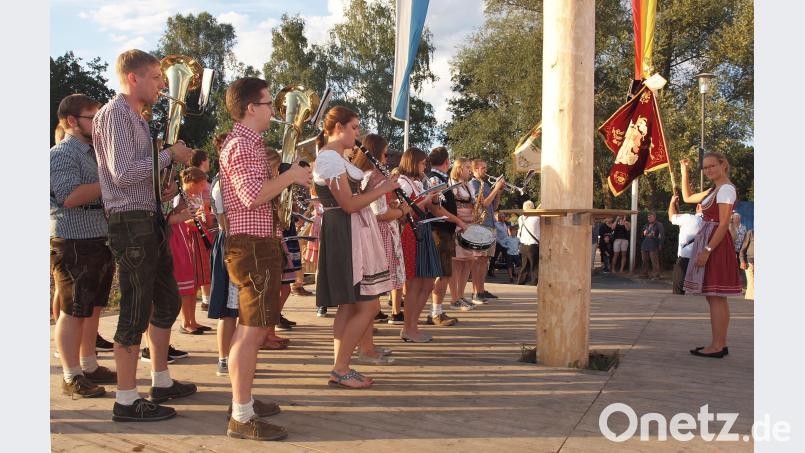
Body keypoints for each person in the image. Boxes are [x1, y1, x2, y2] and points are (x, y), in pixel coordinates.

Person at [93, 49, 196, 422]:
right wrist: (169, 155)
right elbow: (122, 174)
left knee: (167, 301)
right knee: (135, 310)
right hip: (130, 222)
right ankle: (125, 399)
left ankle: (160, 379)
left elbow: (137, 174)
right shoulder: (116, 114)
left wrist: (161, 191)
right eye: (155, 77)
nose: (161, 86)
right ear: (133, 78)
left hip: (145, 216)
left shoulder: (135, 118)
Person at [218, 77, 311, 440]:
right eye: (269, 103)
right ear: (250, 108)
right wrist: (288, 176)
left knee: (251, 328)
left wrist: (286, 176)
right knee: (252, 330)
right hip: (252, 246)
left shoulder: (249, 144)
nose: (275, 110)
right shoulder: (241, 145)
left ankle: (243, 401)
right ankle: (241, 417)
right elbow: (252, 196)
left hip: (258, 243)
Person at [313, 106, 399, 384]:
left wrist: (379, 185)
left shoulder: (338, 158)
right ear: (338, 127)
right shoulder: (329, 159)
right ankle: (340, 369)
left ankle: (341, 366)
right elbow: (348, 205)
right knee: (369, 306)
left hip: (352, 233)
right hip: (346, 234)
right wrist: (382, 189)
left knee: (349, 306)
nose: (357, 133)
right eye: (354, 127)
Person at [51, 94, 117, 398]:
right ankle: (71, 375)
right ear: (71, 121)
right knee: (73, 310)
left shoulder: (93, 151)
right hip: (74, 240)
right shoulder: (62, 153)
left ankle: (89, 365)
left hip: (97, 237)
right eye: (93, 118)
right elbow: (69, 196)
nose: (99, 123)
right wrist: (110, 180)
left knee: (93, 308)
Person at [351, 133, 409, 362]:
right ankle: (364, 349)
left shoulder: (366, 175)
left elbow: (378, 205)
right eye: (384, 154)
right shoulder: (370, 175)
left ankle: (367, 346)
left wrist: (393, 203)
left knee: (371, 300)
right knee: (370, 299)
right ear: (374, 153)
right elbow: (378, 213)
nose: (387, 159)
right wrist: (403, 211)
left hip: (375, 235)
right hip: (373, 237)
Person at [680, 154, 742, 358]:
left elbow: (724, 224)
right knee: (714, 297)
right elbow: (688, 197)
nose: (708, 170)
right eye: (705, 168)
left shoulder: (725, 189)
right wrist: (684, 171)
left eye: (712, 166)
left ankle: (718, 346)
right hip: (709, 241)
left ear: (724, 165)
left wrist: (707, 250)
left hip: (714, 243)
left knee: (716, 297)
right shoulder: (713, 189)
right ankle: (718, 344)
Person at [426, 146, 468, 326]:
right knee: (443, 273)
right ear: (446, 161)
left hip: (443, 229)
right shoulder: (437, 179)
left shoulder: (440, 178)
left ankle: (437, 311)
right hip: (439, 229)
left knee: (444, 273)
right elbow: (436, 208)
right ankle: (436, 313)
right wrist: (458, 221)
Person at [171, 167, 214, 334]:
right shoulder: (179, 198)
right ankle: (185, 322)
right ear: (192, 183)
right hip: (187, 241)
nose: (203, 188)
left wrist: (205, 217)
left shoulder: (195, 197)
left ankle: (193, 320)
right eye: (201, 184)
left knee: (195, 284)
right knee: (188, 285)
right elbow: (178, 222)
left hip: (197, 240)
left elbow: (206, 221)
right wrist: (194, 221)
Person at [207, 168, 239, 377]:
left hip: (242, 242)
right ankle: (224, 359)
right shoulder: (222, 183)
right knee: (227, 311)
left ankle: (238, 357)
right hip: (230, 243)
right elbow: (223, 222)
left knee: (244, 310)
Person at [469, 159, 506, 303]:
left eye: (485, 168)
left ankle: (482, 290)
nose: (485, 170)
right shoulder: (473, 184)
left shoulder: (486, 184)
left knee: (485, 260)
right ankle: (475, 292)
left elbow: (494, 206)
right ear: (475, 169)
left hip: (490, 224)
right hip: (480, 225)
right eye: (483, 168)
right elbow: (483, 204)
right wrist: (495, 189)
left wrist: (499, 193)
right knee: (478, 259)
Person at [448, 157, 480, 310]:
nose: (469, 170)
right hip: (458, 224)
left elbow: (473, 203)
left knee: (468, 261)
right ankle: (454, 298)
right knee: (456, 262)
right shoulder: (452, 184)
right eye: (467, 167)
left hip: (469, 223)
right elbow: (451, 206)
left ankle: (461, 295)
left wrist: (476, 211)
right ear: (459, 168)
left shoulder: (469, 186)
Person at [190, 149, 213, 310]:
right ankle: (206, 299)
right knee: (202, 263)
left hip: (204, 220)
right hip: (201, 222)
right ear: (203, 160)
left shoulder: (201, 176)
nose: (209, 162)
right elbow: (199, 200)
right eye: (208, 159)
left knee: (205, 263)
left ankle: (207, 299)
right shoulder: (199, 177)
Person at [669, 195, 704, 295]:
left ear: (698, 207)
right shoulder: (713, 222)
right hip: (704, 259)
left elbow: (672, 217)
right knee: (699, 293)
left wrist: (672, 203)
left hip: (685, 258)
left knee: (678, 291)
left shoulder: (688, 218)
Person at [517, 201, 540, 285]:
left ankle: (520, 284)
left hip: (523, 245)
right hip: (533, 245)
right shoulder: (537, 218)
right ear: (532, 208)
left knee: (524, 266)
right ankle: (534, 284)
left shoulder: (520, 218)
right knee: (534, 266)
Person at [492, 212, 520, 282]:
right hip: (498, 243)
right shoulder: (496, 224)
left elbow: (506, 234)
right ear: (499, 217)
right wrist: (499, 242)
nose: (504, 218)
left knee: (508, 258)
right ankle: (491, 271)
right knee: (494, 257)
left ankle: (512, 273)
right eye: (502, 217)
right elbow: (495, 235)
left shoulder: (505, 224)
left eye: (504, 217)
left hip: (505, 243)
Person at [640, 212, 665, 279]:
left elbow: (662, 235)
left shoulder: (659, 225)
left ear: (654, 217)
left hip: (654, 245)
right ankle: (644, 274)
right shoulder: (646, 225)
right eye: (648, 217)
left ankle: (656, 275)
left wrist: (660, 244)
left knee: (654, 261)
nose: (649, 218)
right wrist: (643, 233)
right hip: (645, 245)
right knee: (644, 260)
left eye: (650, 217)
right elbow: (642, 235)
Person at [739, 229, 754, 300]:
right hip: (750, 261)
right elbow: (743, 249)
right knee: (751, 282)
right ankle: (750, 300)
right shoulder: (751, 232)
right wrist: (742, 261)